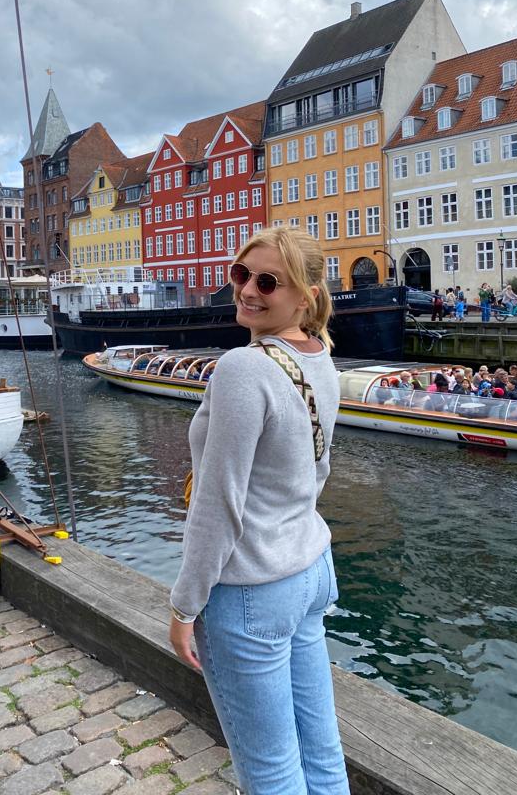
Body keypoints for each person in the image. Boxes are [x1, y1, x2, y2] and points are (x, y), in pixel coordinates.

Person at [169, 226, 350, 795]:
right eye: (240, 274)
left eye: (267, 281)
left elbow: (219, 502)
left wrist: (184, 605)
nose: (247, 290)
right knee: (321, 754)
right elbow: (316, 472)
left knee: (269, 770)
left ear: (306, 296)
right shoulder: (321, 358)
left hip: (252, 588)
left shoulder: (244, 370)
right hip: (309, 567)